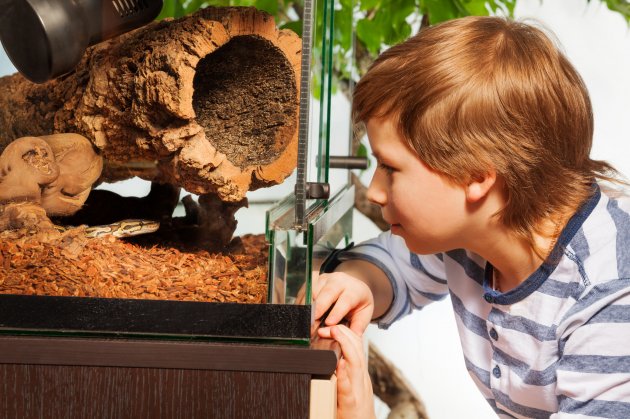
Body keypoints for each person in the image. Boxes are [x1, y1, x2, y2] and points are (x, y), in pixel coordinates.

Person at [314, 15, 630, 418]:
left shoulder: (609, 299)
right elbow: (394, 264)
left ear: (476, 176)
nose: (374, 191)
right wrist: (357, 284)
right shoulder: (477, 231)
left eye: (390, 167)